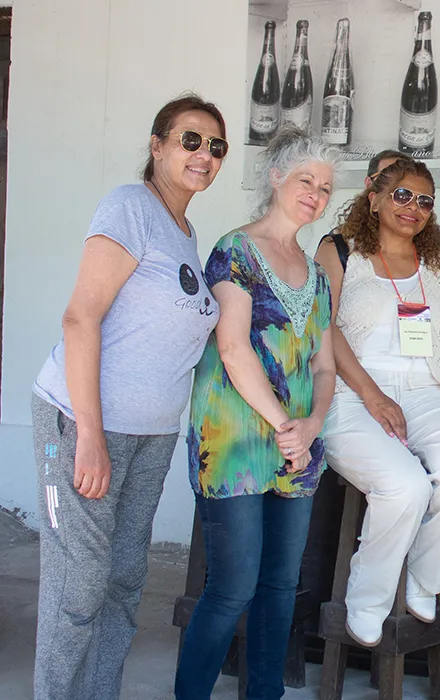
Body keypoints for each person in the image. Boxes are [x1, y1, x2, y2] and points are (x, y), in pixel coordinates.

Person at [29, 94, 228, 700]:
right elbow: (79, 318)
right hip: (81, 422)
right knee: (79, 582)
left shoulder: (185, 233)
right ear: (157, 145)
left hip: (152, 434)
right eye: (190, 140)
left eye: (216, 146)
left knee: (122, 579)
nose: (204, 154)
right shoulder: (129, 207)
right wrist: (89, 436)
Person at [314, 158, 440, 646]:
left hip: (428, 388)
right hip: (352, 392)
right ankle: (367, 597)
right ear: (374, 199)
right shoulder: (340, 251)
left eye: (425, 200)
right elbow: (321, 326)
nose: (414, 207)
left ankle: (423, 578)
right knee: (404, 485)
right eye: (402, 195)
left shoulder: (437, 265)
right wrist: (373, 395)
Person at [174, 126, 338, 699]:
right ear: (275, 178)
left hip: (297, 446)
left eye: (325, 187)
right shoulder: (235, 251)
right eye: (305, 180)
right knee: (232, 588)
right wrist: (287, 426)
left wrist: (311, 426)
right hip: (235, 441)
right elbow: (232, 348)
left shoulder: (318, 275)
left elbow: (324, 366)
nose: (315, 194)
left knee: (279, 586)